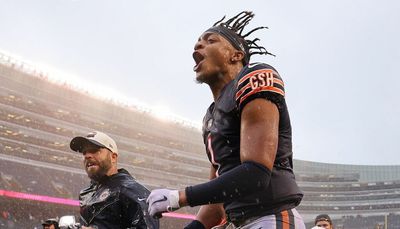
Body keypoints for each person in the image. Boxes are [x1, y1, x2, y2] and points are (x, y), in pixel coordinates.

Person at [147, 11, 305, 229]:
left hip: (271, 216)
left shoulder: (254, 76)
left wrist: (180, 197)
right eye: (197, 43)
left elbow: (256, 173)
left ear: (236, 55)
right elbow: (215, 204)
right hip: (241, 222)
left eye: (210, 40)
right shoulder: (210, 116)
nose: (198, 47)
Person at [70, 131, 159, 229]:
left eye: (94, 150)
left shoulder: (135, 192)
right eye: (84, 153)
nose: (87, 156)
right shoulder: (85, 193)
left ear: (113, 157)